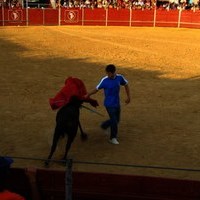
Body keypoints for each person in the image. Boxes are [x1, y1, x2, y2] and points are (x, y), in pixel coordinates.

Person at [85, 64, 130, 144]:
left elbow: (126, 84)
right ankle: (113, 137)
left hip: (117, 103)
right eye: (107, 73)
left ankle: (104, 125)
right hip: (108, 104)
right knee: (114, 121)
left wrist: (128, 96)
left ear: (113, 72)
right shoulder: (104, 80)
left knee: (117, 120)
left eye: (109, 73)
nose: (108, 75)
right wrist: (88, 94)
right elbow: (96, 89)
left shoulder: (120, 78)